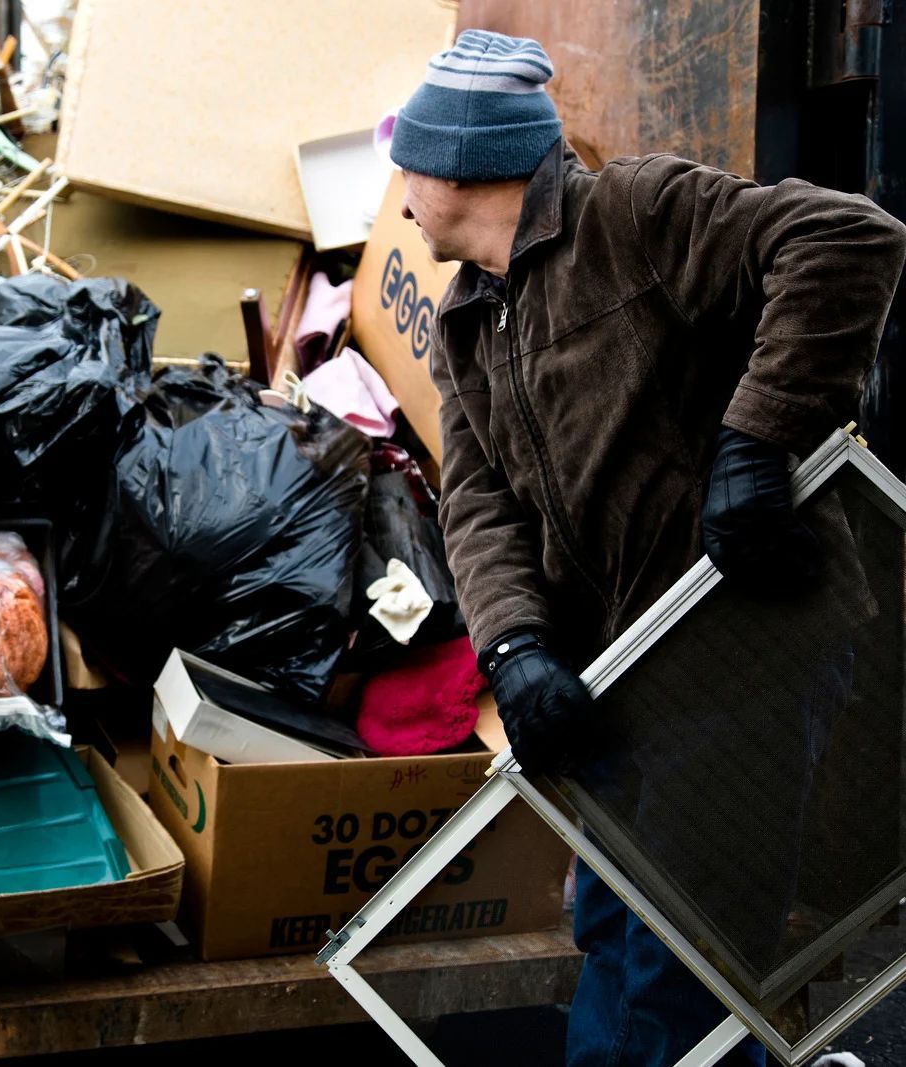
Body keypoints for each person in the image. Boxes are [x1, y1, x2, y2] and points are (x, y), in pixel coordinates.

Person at [388, 28, 906, 1066]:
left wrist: (757, 436)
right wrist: (516, 649)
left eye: (405, 160)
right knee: (620, 934)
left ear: (457, 161)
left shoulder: (631, 213)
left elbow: (848, 239)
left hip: (738, 650)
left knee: (678, 959)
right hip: (617, 674)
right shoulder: (463, 323)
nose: (395, 191)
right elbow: (479, 502)